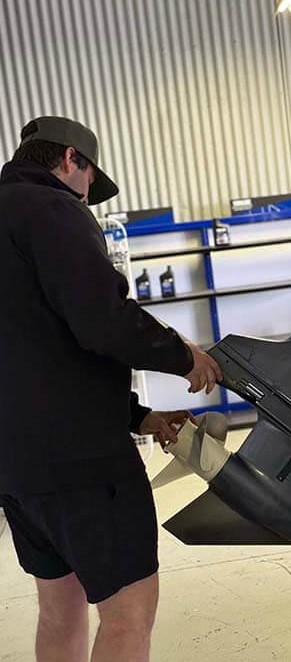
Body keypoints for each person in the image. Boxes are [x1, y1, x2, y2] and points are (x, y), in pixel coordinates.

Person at [0, 116, 223, 662]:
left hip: (16, 468)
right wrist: (184, 357)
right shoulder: (52, 209)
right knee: (127, 616)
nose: (86, 198)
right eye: (88, 184)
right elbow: (102, 321)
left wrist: (138, 415)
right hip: (84, 465)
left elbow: (33, 350)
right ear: (71, 159)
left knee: (59, 610)